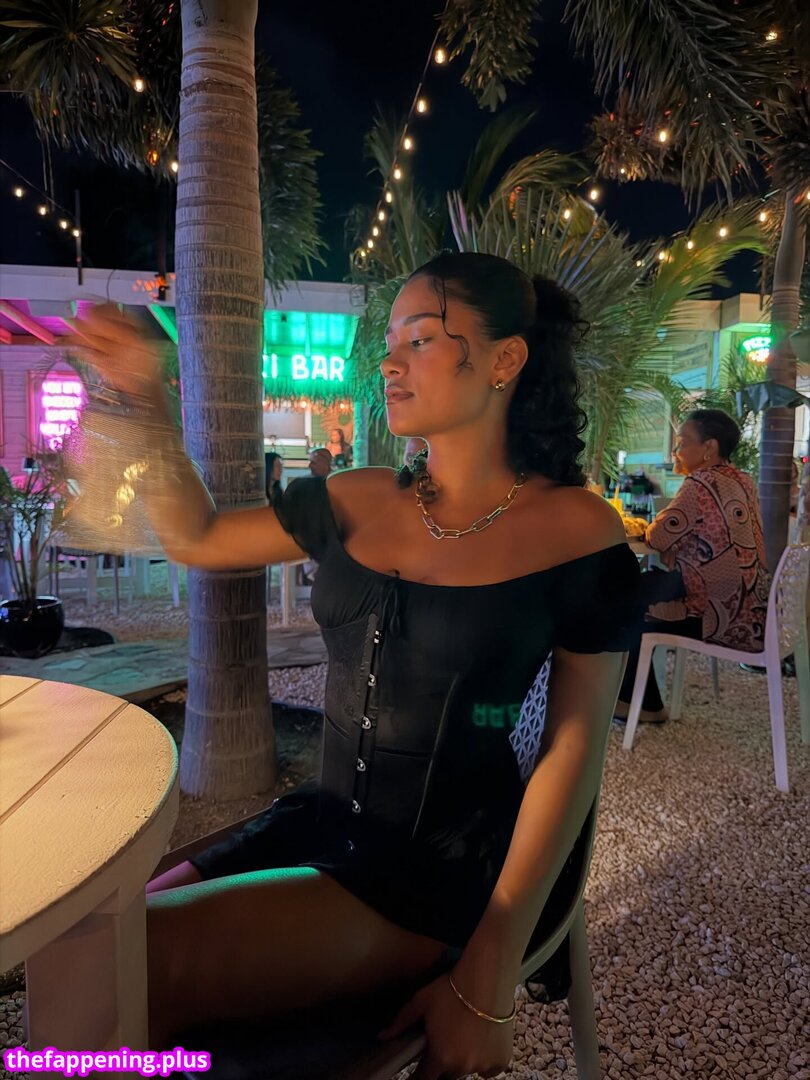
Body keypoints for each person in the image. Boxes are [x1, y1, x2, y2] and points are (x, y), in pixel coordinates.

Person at [63, 252, 640, 1078]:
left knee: (109, 969)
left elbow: (572, 748)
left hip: (430, 875)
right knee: (80, 941)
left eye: (421, 338)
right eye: (389, 342)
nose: (390, 362)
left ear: (505, 360)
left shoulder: (577, 532)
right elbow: (199, 538)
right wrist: (146, 395)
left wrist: (490, 965)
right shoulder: (361, 497)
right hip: (318, 821)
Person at [614, 409, 770, 724]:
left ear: (709, 448)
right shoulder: (744, 480)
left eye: (682, 443)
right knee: (638, 589)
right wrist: (679, 545)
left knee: (623, 602)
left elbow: (657, 537)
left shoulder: (699, 482)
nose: (676, 450)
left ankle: (642, 703)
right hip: (751, 610)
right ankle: (641, 698)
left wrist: (671, 544)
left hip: (717, 615)